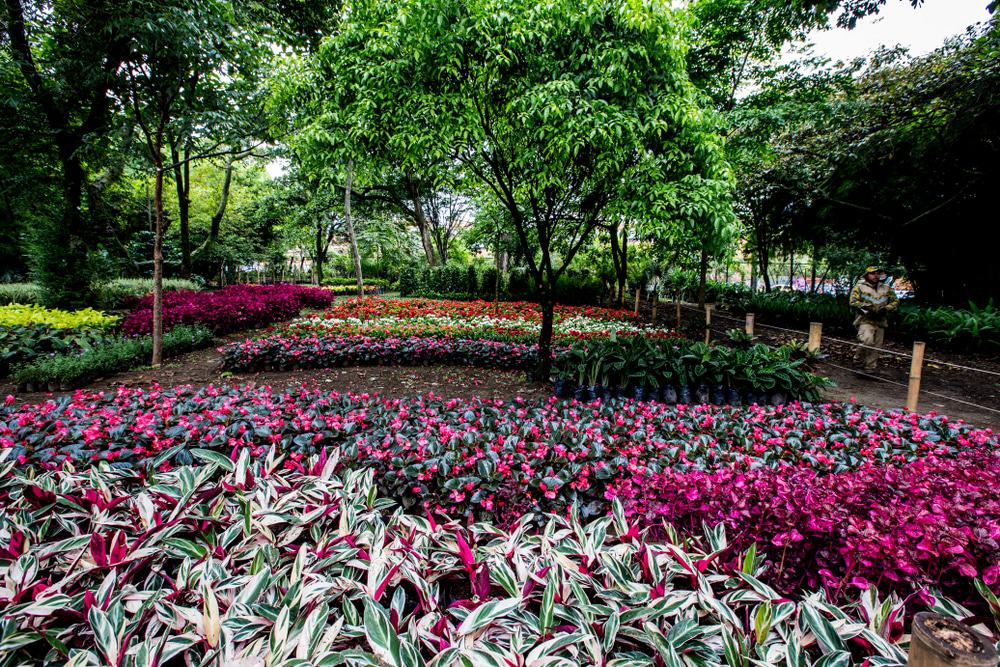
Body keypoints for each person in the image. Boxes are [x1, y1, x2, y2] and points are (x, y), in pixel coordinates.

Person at [849, 266, 899, 373]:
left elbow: (895, 301)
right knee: (867, 340)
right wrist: (867, 307)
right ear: (867, 275)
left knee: (877, 346)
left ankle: (869, 368)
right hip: (865, 319)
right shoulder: (860, 287)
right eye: (873, 273)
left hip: (880, 320)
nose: (875, 276)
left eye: (877, 273)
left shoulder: (886, 288)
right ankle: (858, 362)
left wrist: (886, 308)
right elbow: (853, 302)